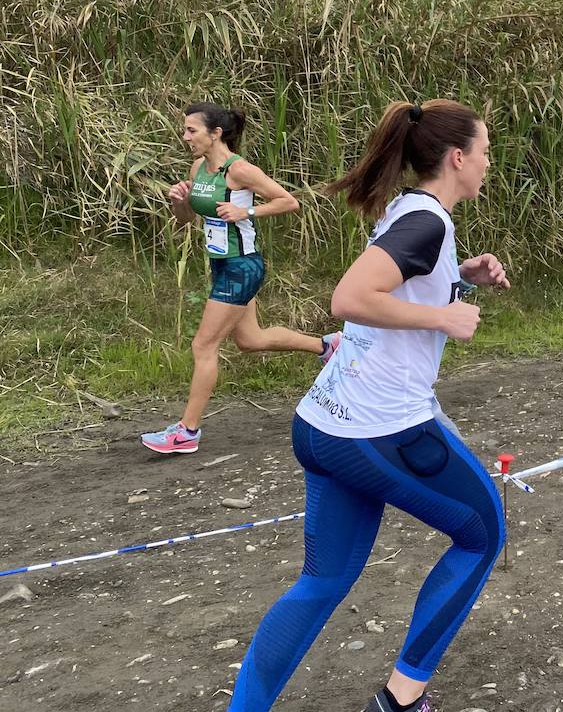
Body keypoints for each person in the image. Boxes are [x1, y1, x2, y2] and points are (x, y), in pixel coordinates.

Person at [227, 99, 511, 712]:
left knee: (322, 581)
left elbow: (399, 278)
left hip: (322, 428)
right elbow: (351, 296)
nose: (489, 163)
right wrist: (443, 315)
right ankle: (401, 702)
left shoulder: (416, 213)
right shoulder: (426, 221)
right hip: (381, 433)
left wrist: (459, 277)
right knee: (483, 533)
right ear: (458, 158)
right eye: (485, 152)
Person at [142, 103, 337, 455]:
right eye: (184, 130)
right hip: (221, 264)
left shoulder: (240, 170)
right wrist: (179, 202)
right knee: (250, 339)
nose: (184, 137)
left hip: (242, 266)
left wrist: (245, 211)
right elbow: (186, 220)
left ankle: (187, 432)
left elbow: (288, 201)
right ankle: (327, 346)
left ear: (215, 133)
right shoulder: (199, 167)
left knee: (203, 345)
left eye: (191, 130)